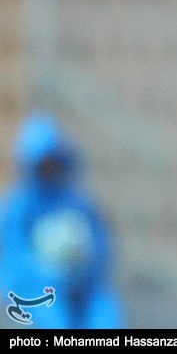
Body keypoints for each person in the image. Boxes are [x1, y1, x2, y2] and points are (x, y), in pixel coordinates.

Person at [0, 112, 125, 329]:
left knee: (105, 315)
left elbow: (101, 247)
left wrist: (82, 270)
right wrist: (47, 271)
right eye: (43, 163)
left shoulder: (78, 203)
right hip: (33, 290)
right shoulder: (19, 207)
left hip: (82, 289)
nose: (49, 168)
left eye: (53, 162)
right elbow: (13, 258)